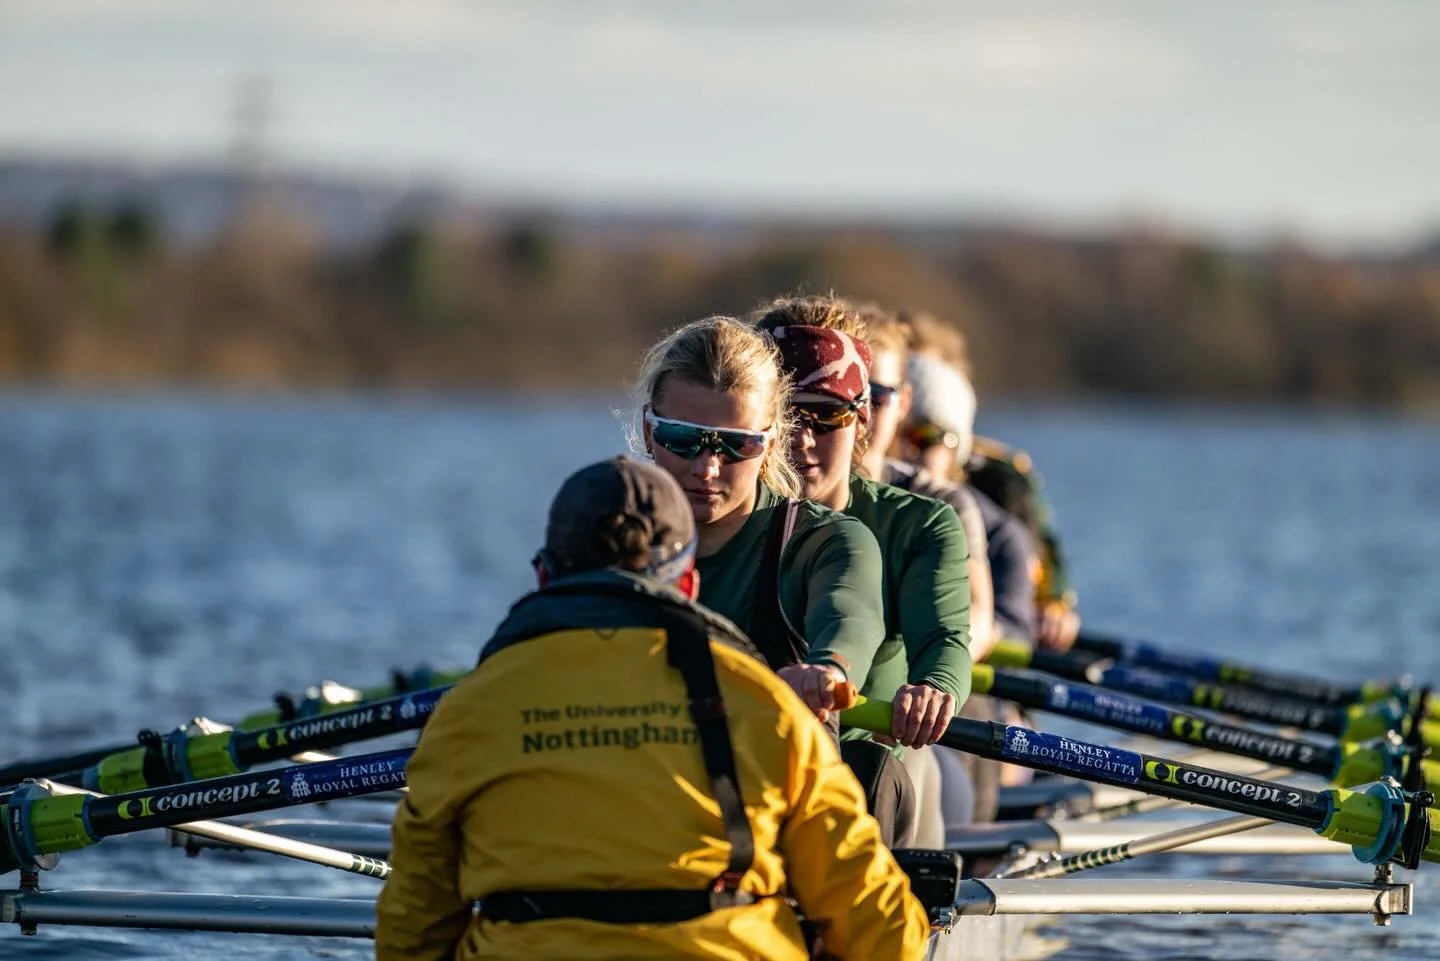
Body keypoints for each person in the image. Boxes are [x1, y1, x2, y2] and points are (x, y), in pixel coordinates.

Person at [376, 455, 930, 961]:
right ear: (688, 583)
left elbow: (412, 931)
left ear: (545, 575)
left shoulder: (469, 710)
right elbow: (880, 927)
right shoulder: (764, 702)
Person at [631, 316, 914, 844]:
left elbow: (847, 614)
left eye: (735, 445)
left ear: (773, 439)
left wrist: (827, 670)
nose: (707, 469)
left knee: (874, 772)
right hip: (641, 790)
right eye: (684, 439)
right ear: (650, 431)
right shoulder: (612, 536)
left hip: (775, 811)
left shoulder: (826, 543)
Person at [748, 295, 975, 849]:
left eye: (826, 415)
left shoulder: (921, 526)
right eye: (785, 416)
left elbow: (945, 640)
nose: (801, 439)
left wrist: (933, 688)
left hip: (872, 771)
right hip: (745, 764)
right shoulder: (712, 522)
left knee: (875, 767)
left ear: (864, 419)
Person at [859, 307, 1002, 826]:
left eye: (877, 400)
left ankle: (975, 861)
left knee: (974, 713)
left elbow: (970, 628)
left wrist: (932, 686)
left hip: (919, 721)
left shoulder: (940, 510)